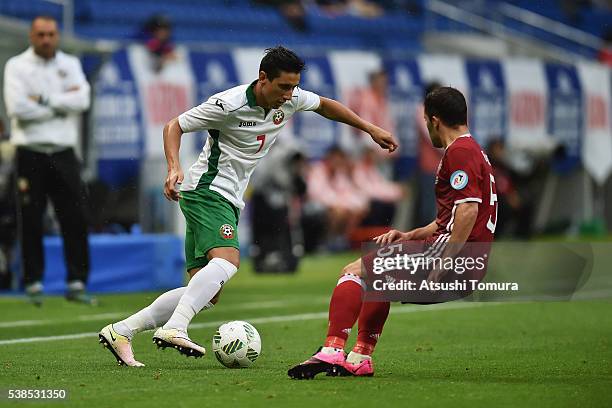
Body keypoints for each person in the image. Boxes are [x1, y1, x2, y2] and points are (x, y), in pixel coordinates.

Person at [98, 46, 398, 367]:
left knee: (206, 293)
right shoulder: (228, 104)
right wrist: (174, 168)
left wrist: (370, 128)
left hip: (229, 196)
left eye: (294, 87)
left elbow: (325, 105)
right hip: (207, 189)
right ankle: (175, 327)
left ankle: (122, 331)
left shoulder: (290, 99)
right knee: (228, 262)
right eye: (284, 87)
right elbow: (174, 125)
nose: (290, 94)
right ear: (262, 78)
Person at [287, 86, 498, 379]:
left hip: (453, 256)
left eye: (426, 122)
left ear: (434, 120)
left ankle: (333, 349)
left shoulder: (459, 152)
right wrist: (410, 235)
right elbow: (451, 218)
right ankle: (360, 356)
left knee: (353, 271)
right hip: (470, 259)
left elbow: (468, 212)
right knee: (380, 274)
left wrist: (446, 259)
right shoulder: (474, 151)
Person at [2, 16, 94, 306]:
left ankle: (77, 281)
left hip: (64, 151)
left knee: (75, 217)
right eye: (41, 34)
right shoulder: (16, 66)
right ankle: (33, 282)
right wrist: (60, 103)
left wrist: (41, 100)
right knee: (30, 218)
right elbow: (17, 108)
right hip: (30, 150)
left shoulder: (70, 64)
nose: (46, 39)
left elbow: (83, 101)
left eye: (51, 34)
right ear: (32, 35)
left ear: (57, 36)